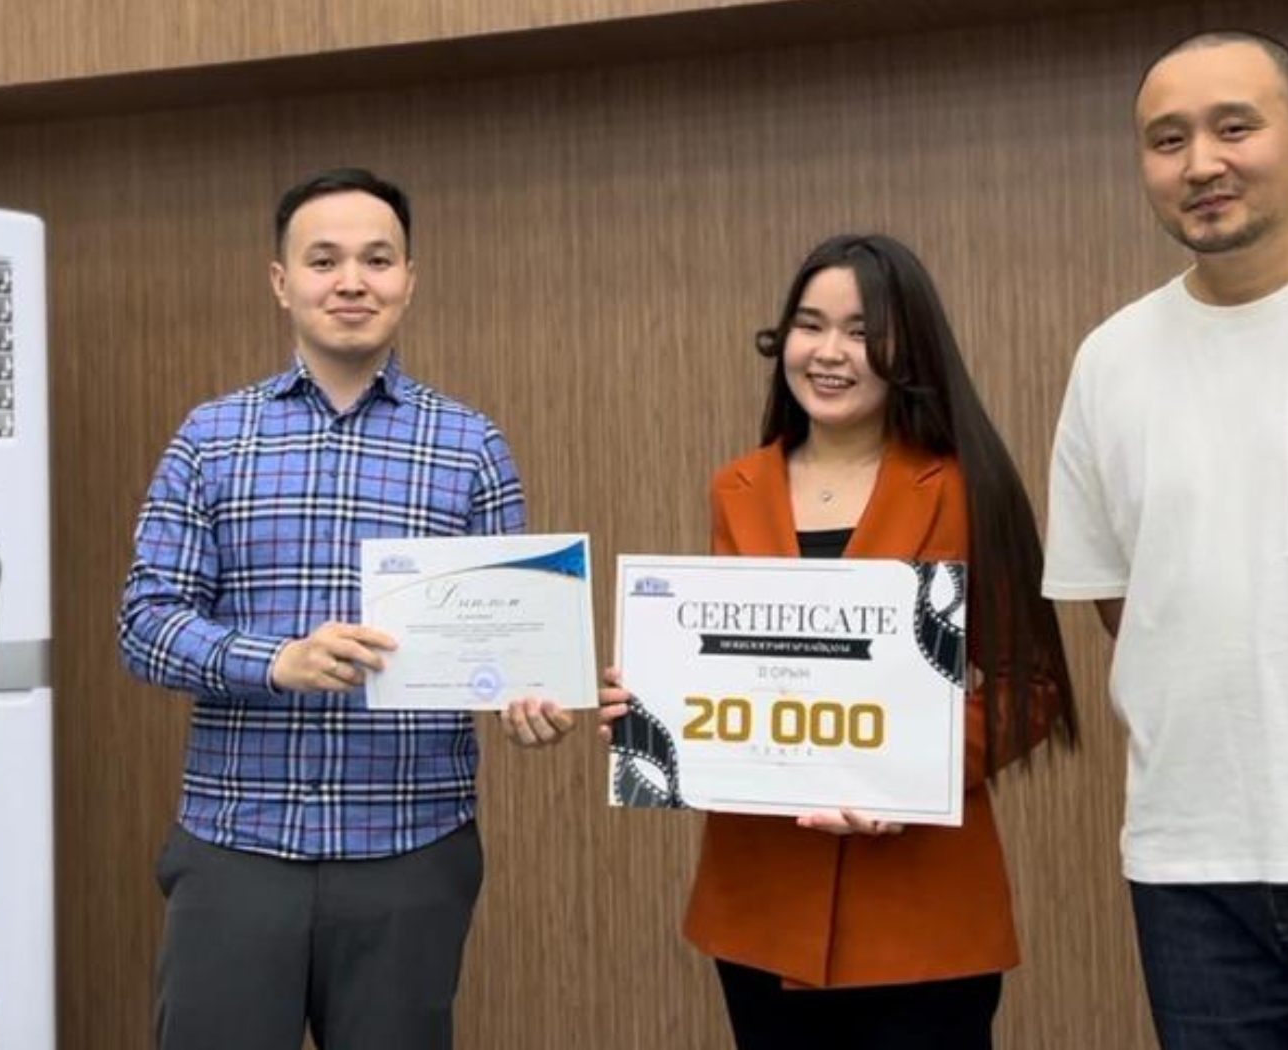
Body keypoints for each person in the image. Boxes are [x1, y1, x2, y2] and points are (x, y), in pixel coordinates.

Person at [119, 166, 575, 1050]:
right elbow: (144, 624)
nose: (352, 281)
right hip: (238, 840)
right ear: (281, 281)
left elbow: (505, 638)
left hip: (411, 842)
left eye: (377, 259)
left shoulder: (470, 446)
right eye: (323, 260)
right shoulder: (210, 439)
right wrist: (275, 661)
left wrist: (530, 699)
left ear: (410, 278)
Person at [600, 233, 1076, 1049]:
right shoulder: (737, 486)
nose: (829, 353)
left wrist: (904, 776)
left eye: (861, 332)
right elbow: (729, 666)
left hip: (921, 912)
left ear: (908, 350)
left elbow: (1029, 690)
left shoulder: (965, 487)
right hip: (759, 900)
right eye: (810, 325)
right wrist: (653, 708)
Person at [1043, 29, 1288, 1049]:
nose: (1200, 163)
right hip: (1194, 869)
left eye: (1233, 128)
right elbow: (1121, 599)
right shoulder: (1109, 360)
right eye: (1167, 141)